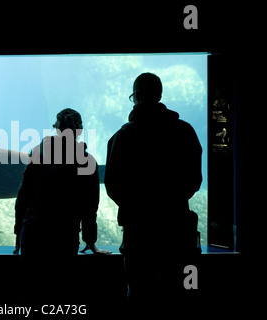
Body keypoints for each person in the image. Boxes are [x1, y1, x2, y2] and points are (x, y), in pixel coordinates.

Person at [105, 73, 202, 308]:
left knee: (139, 292)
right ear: (159, 95)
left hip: (138, 229)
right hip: (177, 225)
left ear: (136, 97)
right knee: (181, 291)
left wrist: (134, 205)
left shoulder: (121, 137)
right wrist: (172, 199)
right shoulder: (185, 131)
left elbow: (112, 185)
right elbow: (194, 180)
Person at [14, 108, 110, 301]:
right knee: (62, 292)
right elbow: (90, 206)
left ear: (57, 129)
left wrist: (18, 231)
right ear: (80, 131)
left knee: (32, 292)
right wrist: (90, 240)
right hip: (65, 235)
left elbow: (23, 196)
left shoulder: (38, 154)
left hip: (33, 232)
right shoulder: (86, 161)